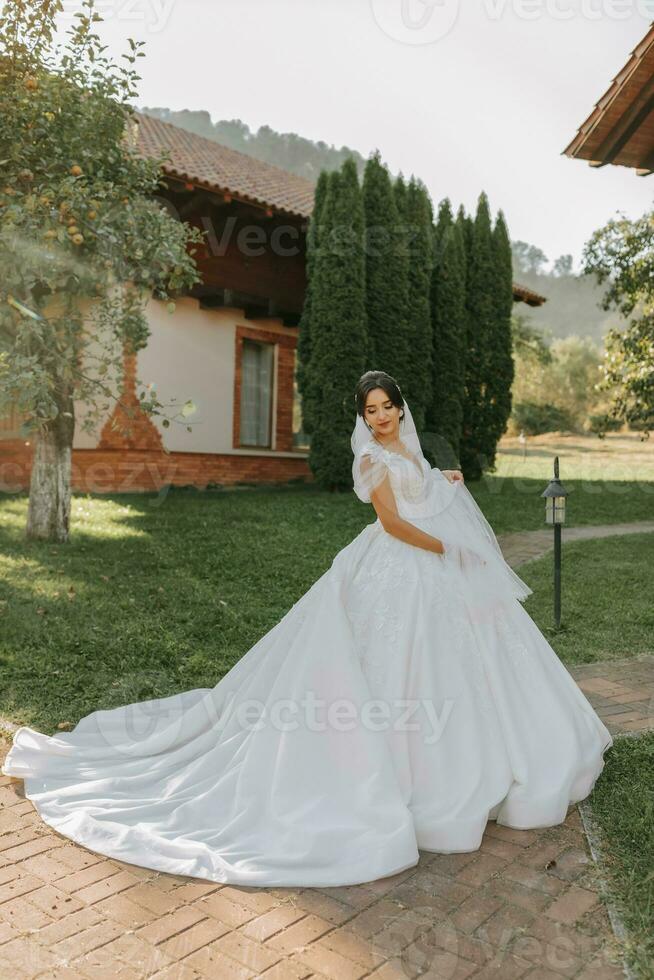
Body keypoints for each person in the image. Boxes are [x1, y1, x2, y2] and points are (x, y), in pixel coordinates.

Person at [1, 370, 613, 888]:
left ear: (400, 407)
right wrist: (448, 551)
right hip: (399, 563)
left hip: (429, 565)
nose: (380, 418)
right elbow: (395, 524)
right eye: (369, 411)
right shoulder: (371, 457)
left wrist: (443, 480)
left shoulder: (409, 444)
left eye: (387, 407)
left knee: (465, 657)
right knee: (389, 666)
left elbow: (418, 487)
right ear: (362, 419)